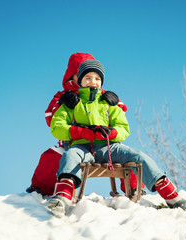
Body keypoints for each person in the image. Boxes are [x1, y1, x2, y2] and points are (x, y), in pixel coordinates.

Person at [47, 59, 186, 217]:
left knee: (139, 156)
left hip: (108, 147)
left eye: (97, 79)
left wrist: (112, 133)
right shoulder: (72, 103)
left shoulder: (107, 103)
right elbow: (57, 127)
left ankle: (171, 195)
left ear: (101, 82)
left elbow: (124, 128)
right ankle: (63, 198)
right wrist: (81, 132)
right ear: (79, 81)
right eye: (87, 78)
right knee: (70, 156)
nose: (92, 82)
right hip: (81, 147)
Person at [26, 53, 144, 196]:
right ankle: (42, 189)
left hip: (103, 143)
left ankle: (135, 187)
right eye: (80, 75)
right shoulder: (62, 96)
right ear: (72, 77)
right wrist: (61, 103)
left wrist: (115, 102)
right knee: (51, 156)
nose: (90, 80)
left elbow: (120, 117)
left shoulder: (102, 95)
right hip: (74, 143)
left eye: (94, 76)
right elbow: (51, 119)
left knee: (126, 153)